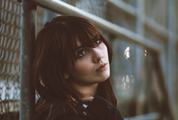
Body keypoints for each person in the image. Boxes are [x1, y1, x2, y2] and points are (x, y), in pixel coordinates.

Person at [32, 15, 123, 120]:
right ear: (62, 69)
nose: (98, 55)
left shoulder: (95, 105)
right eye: (81, 53)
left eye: (97, 42)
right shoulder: (65, 115)